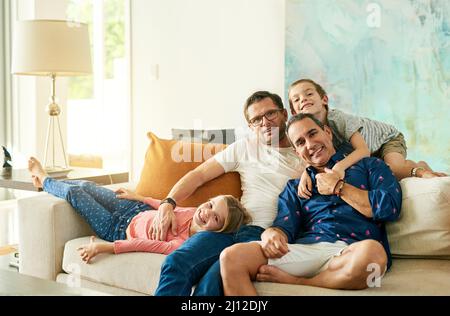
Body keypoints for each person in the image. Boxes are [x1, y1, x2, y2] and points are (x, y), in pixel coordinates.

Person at [220, 113, 402, 295]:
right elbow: (284, 227)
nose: (310, 144)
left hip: (354, 251)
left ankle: (299, 282)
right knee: (231, 257)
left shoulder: (370, 166)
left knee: (374, 256)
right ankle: (309, 280)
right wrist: (271, 233)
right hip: (309, 249)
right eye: (300, 142)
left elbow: (389, 208)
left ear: (328, 133)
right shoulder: (294, 187)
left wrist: (339, 187)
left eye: (313, 133)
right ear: (296, 152)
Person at [153, 91, 305, 296]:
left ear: (285, 114)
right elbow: (199, 175)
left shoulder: (304, 153)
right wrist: (168, 202)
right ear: (250, 126)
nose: (265, 123)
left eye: (271, 114)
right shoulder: (244, 148)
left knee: (210, 284)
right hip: (228, 225)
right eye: (256, 120)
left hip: (261, 235)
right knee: (176, 262)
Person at [27, 157, 251, 263]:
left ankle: (44, 179)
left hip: (115, 228)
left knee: (76, 194)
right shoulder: (193, 212)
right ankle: (43, 181)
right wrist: (140, 197)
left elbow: (142, 244)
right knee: (87, 186)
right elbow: (165, 206)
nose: (206, 212)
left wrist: (106, 247)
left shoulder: (182, 244)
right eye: (210, 204)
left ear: (217, 231)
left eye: (215, 218)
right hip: (133, 208)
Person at [288, 79, 446, 199]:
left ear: (324, 99)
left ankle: (420, 169)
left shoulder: (337, 119)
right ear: (295, 113)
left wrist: (339, 168)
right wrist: (305, 175)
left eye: (309, 94)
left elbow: (363, 150)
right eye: (296, 99)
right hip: (369, 153)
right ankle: (414, 165)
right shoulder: (313, 135)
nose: (303, 99)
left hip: (386, 140)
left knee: (393, 168)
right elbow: (312, 160)